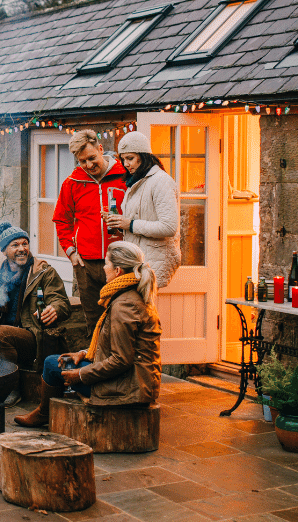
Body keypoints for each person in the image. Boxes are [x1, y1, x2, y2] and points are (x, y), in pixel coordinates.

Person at [14, 241, 161, 428]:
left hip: (130, 387)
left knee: (51, 364)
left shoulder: (125, 306)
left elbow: (121, 360)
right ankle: (46, 411)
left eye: (106, 264)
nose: (103, 268)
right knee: (60, 360)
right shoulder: (126, 295)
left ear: (118, 272)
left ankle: (44, 413)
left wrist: (81, 375)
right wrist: (83, 353)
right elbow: (114, 344)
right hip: (133, 381)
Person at [0, 222, 71, 407]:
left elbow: (61, 302)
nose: (22, 249)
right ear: (4, 251)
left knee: (0, 333)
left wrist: (54, 308)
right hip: (4, 333)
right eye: (15, 245)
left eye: (25, 244)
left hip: (34, 335)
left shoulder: (43, 272)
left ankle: (11, 387)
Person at [52, 129, 127, 337]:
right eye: (82, 161)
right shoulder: (72, 183)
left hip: (120, 261)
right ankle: (97, 365)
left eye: (92, 158)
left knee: (121, 318)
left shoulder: (124, 177)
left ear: (101, 149)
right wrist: (72, 253)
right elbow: (61, 220)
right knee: (94, 323)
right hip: (87, 264)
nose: (88, 165)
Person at [105, 131, 181, 288]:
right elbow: (138, 219)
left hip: (152, 262)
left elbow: (169, 227)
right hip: (139, 261)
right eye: (123, 159)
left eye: (130, 158)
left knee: (145, 311)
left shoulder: (161, 181)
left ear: (144, 155)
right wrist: (118, 222)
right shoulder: (137, 181)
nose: (125, 164)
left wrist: (130, 224)